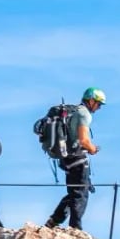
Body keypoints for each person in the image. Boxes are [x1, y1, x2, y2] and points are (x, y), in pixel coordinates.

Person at [45, 87, 105, 230]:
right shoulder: (84, 114)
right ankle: (75, 228)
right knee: (81, 194)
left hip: (66, 158)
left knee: (73, 192)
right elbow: (84, 140)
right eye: (98, 103)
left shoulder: (73, 112)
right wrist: (92, 148)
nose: (99, 107)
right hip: (78, 158)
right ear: (91, 100)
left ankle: (54, 220)